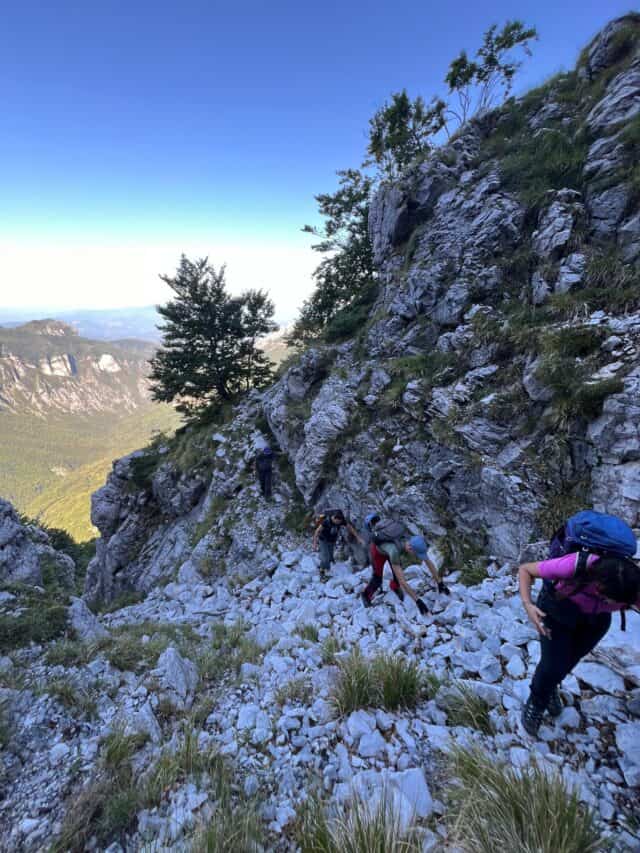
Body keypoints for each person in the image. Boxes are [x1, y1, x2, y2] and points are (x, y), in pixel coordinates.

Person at [519, 550, 640, 736]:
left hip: (595, 621)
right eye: (609, 599)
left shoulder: (631, 588)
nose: (610, 602)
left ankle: (549, 688)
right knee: (553, 665)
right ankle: (536, 702)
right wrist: (528, 605)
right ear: (599, 587)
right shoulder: (574, 566)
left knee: (568, 662)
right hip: (556, 612)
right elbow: (526, 570)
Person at [361, 523, 449, 611]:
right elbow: (402, 581)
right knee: (378, 578)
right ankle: (365, 595)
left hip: (390, 548)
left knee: (396, 574)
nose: (417, 556)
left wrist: (440, 582)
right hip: (377, 551)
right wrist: (418, 601)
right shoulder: (394, 552)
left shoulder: (412, 540)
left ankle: (395, 588)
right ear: (410, 549)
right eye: (416, 554)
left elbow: (427, 560)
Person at [313, 510, 364, 576]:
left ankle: (331, 565)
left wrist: (358, 538)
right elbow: (317, 531)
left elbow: (350, 528)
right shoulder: (326, 521)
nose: (338, 523)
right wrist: (314, 544)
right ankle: (323, 571)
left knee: (330, 555)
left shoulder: (341, 520)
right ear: (334, 518)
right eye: (337, 521)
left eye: (339, 522)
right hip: (323, 540)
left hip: (332, 540)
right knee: (326, 556)